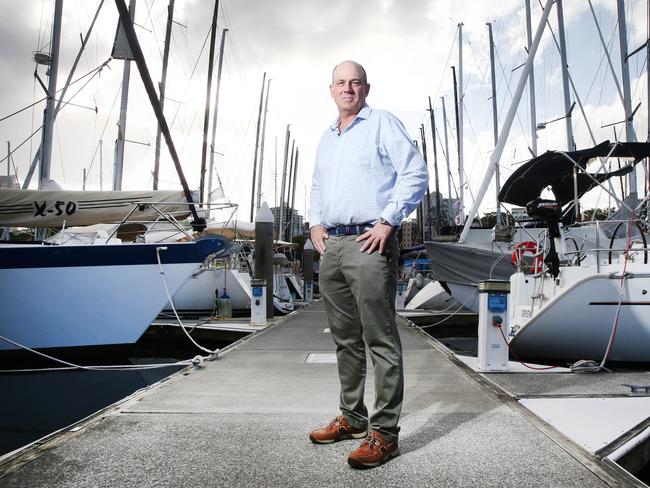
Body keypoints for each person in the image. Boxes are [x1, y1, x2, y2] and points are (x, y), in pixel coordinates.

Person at [307, 60, 429, 469]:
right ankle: (353, 419)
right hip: (333, 246)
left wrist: (388, 221)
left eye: (355, 82)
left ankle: (385, 434)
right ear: (331, 89)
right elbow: (319, 185)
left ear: (366, 88)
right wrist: (314, 224)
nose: (348, 88)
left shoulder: (381, 124)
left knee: (380, 338)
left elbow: (414, 172)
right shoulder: (327, 137)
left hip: (369, 242)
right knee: (345, 339)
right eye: (341, 82)